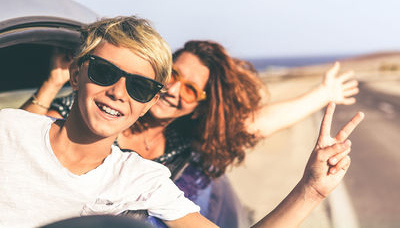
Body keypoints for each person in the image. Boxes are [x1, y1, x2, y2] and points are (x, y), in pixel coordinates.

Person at [21, 40, 359, 227]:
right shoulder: (93, 113)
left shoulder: (186, 146)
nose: (174, 91)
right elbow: (24, 147)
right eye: (173, 75)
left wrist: (322, 96)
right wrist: (54, 83)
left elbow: (254, 124)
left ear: (200, 105)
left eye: (191, 90)